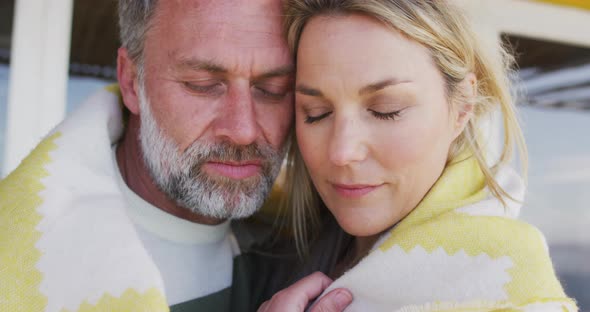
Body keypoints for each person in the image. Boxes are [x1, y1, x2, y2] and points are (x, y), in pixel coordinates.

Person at [0, 0, 350, 311]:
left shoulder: (315, 248)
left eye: (272, 90)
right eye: (202, 84)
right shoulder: (21, 265)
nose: (243, 129)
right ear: (130, 82)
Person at [261, 0, 578, 311]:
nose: (342, 152)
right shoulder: (274, 253)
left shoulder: (511, 290)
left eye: (387, 111)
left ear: (462, 106)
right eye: (316, 113)